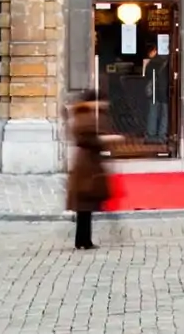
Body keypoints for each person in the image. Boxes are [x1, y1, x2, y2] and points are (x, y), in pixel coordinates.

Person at [65, 90, 110, 250]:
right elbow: (88, 138)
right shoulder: (85, 115)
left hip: (87, 164)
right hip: (86, 166)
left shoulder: (85, 114)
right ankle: (82, 240)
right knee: (84, 205)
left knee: (86, 207)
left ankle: (84, 240)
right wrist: (105, 140)